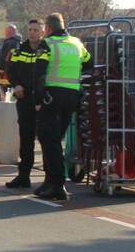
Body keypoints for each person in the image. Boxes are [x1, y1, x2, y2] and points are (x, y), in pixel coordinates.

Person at [32, 12, 92, 201]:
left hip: (52, 97)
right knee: (56, 140)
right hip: (72, 97)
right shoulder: (77, 43)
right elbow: (90, 65)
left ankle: (57, 185)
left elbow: (39, 74)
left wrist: (38, 101)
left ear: (48, 28)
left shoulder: (47, 44)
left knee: (49, 140)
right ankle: (50, 181)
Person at [5, 19, 46, 188]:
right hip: (24, 100)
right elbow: (11, 71)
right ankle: (23, 175)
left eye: (36, 30)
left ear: (43, 32)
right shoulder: (18, 50)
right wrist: (16, 85)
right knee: (26, 138)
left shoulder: (48, 50)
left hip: (43, 101)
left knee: (46, 139)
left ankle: (50, 179)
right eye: (30, 29)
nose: (32, 33)